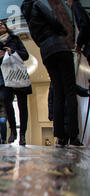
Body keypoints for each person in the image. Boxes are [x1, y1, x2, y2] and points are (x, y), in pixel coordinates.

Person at [22, 0, 82, 147]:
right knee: (70, 91)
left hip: (46, 52)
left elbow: (36, 40)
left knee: (58, 94)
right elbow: (53, 19)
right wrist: (63, 32)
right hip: (58, 45)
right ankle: (73, 136)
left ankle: (60, 137)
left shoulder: (29, 18)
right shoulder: (37, 4)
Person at [0, 19, 32, 146]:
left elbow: (25, 55)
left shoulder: (15, 39)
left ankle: (22, 135)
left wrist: (13, 52)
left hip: (18, 76)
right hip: (5, 77)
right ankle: (13, 131)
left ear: (5, 26)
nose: (0, 26)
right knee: (7, 104)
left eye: (1, 24)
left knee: (22, 106)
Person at [66, 0, 90, 65]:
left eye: (67, 0)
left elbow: (84, 26)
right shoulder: (79, 7)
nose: (66, 3)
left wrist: (78, 44)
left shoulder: (76, 6)